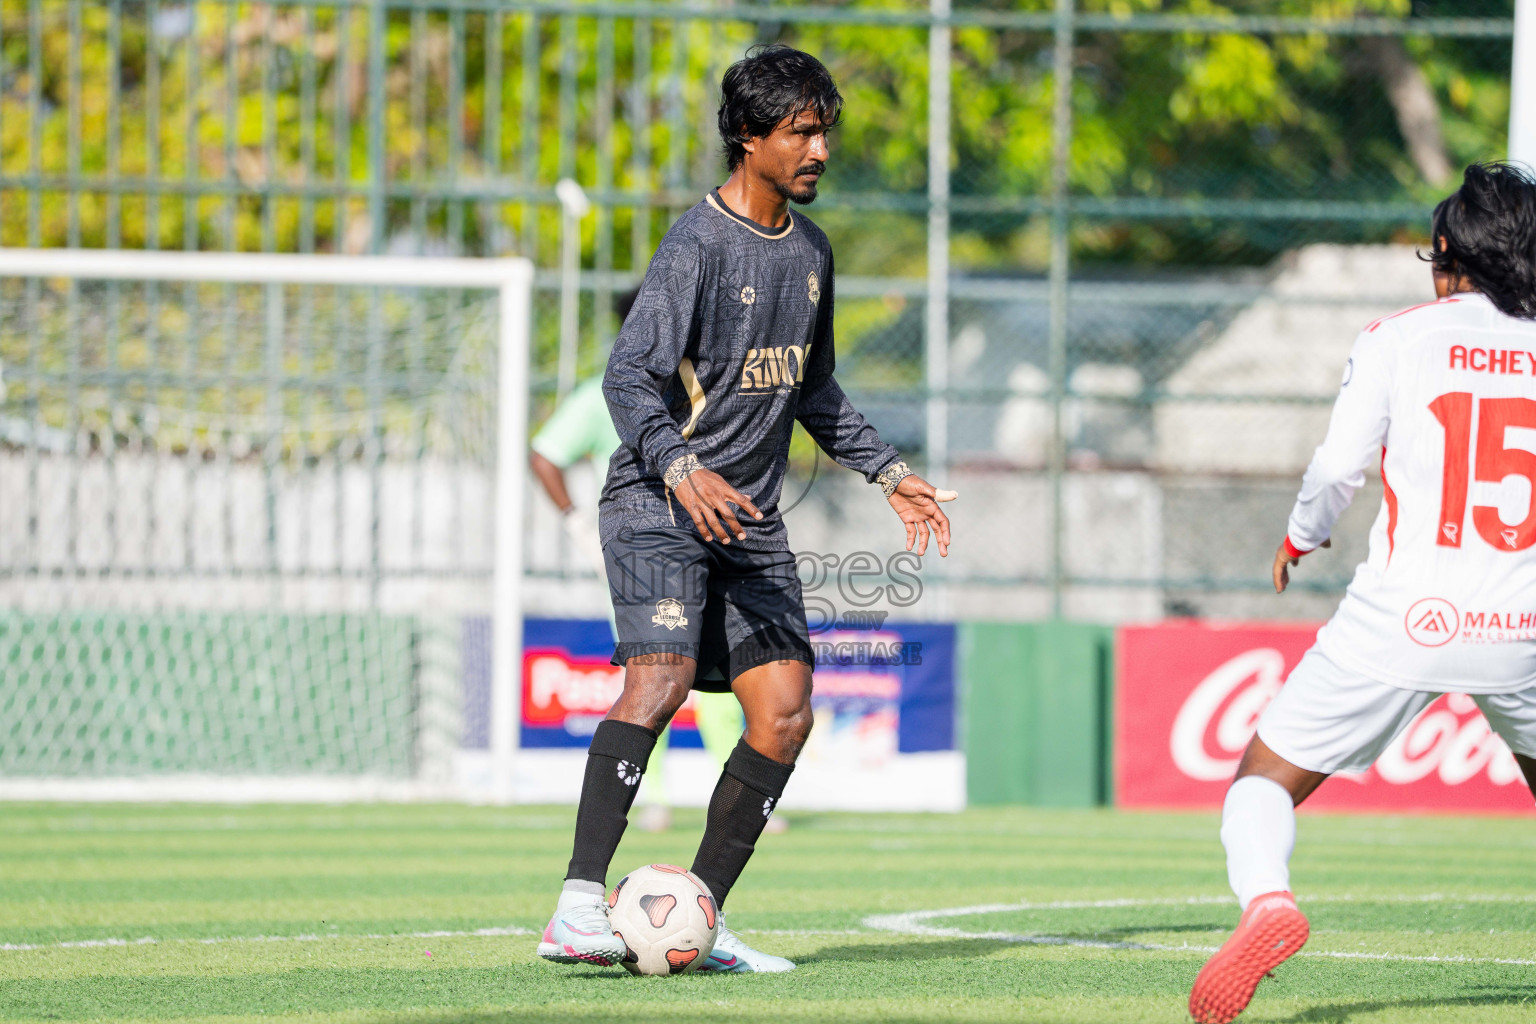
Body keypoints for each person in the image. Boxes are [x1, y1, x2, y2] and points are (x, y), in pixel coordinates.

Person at [536, 44, 956, 973]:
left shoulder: (810, 252)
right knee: (661, 677)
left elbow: (815, 392)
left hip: (749, 522)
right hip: (657, 503)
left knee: (787, 713)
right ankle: (574, 907)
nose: (818, 150)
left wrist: (890, 474)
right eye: (799, 132)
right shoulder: (696, 244)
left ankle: (699, 917)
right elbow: (627, 376)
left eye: (823, 131)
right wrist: (681, 468)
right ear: (747, 137)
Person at [1189, 161, 1536, 1024]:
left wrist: (1302, 534)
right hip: (1527, 621)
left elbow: (1339, 467)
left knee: (1261, 781)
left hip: (1402, 617)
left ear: (1447, 252)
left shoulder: (1398, 337)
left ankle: (1269, 902)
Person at [530, 289, 752, 835]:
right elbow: (545, 454)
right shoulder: (605, 392)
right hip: (646, 554)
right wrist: (574, 520)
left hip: (712, 541)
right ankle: (653, 798)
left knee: (726, 679)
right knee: (651, 676)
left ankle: (739, 798)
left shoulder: (708, 390)